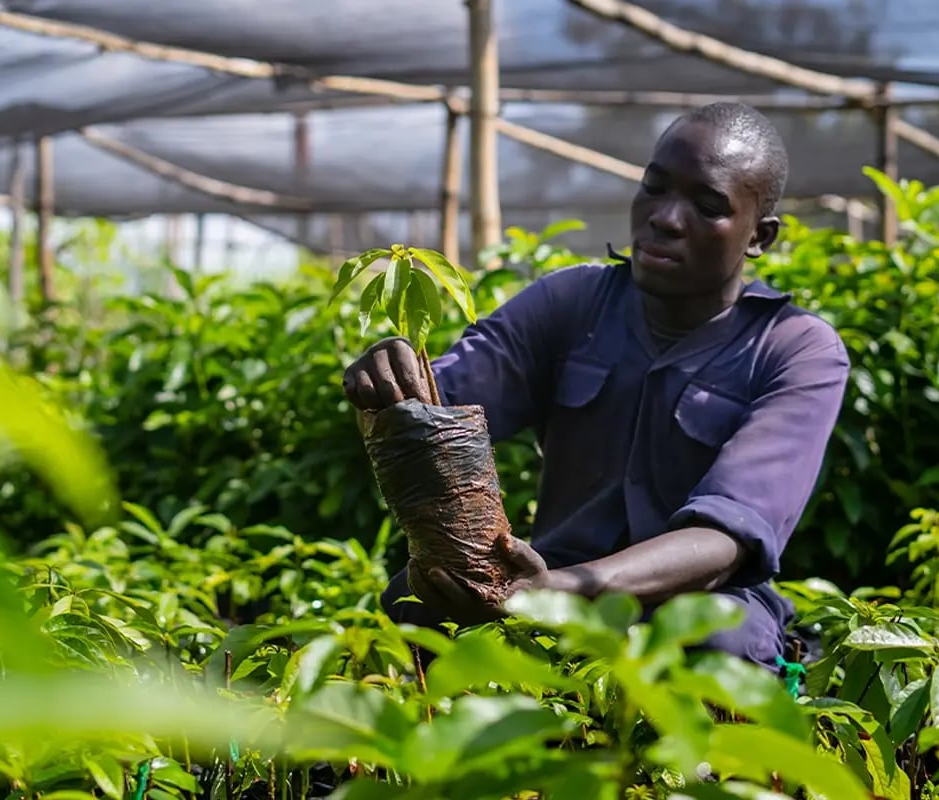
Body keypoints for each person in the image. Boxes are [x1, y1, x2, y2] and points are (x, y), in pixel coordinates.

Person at [341, 102, 850, 671]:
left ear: (760, 236)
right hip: (542, 576)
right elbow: (442, 404)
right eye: (654, 188)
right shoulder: (569, 302)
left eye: (707, 206)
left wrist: (565, 591)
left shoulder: (795, 349)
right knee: (414, 605)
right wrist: (394, 376)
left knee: (721, 644)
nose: (666, 218)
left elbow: (727, 535)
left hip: (696, 599)